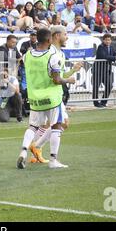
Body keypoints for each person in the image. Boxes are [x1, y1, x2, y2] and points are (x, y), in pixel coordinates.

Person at [17, 28, 78, 169]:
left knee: (32, 127)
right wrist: (70, 80)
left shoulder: (27, 55)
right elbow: (57, 80)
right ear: (50, 39)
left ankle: (23, 151)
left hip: (34, 98)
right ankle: (53, 160)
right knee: (57, 125)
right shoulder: (53, 56)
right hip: (52, 98)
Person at [92, 33, 116, 108]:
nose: (108, 41)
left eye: (109, 40)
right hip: (98, 70)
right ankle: (96, 103)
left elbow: (114, 54)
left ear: (111, 40)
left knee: (109, 86)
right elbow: (104, 56)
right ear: (103, 40)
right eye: (106, 40)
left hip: (106, 70)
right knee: (96, 87)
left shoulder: (111, 47)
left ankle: (103, 102)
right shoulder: (100, 47)